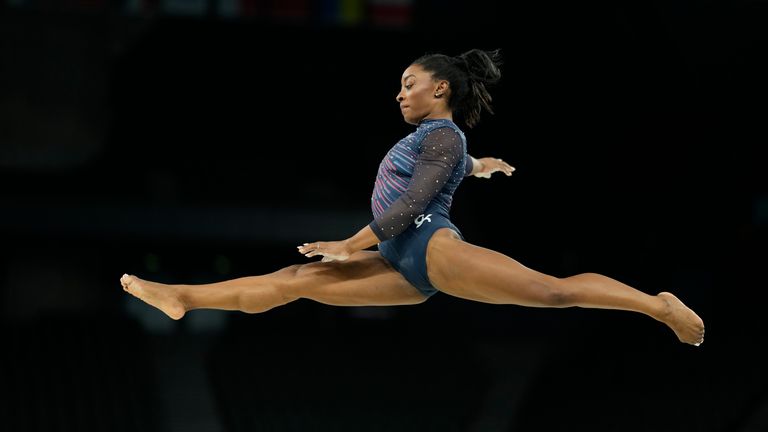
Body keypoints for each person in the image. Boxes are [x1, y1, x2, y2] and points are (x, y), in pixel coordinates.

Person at [121, 48, 705, 346]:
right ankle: (182, 298)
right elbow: (442, 166)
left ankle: (658, 304)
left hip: (428, 245)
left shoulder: (443, 133)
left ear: (440, 86)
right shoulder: (437, 140)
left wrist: (350, 244)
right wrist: (479, 165)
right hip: (402, 260)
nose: (400, 93)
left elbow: (411, 203)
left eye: (409, 83)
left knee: (550, 292)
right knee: (292, 282)